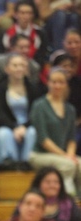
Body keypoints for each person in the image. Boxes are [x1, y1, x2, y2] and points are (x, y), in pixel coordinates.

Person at [29, 66, 81, 196]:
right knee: (68, 165)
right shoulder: (39, 105)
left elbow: (72, 138)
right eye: (54, 82)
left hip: (63, 154)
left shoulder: (70, 109)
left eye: (61, 82)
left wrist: (70, 154)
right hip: (40, 154)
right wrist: (65, 156)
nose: (57, 85)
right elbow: (43, 139)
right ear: (48, 83)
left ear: (66, 85)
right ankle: (68, 196)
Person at [0, 52, 38, 171]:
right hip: (7, 125)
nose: (19, 68)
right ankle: (9, 166)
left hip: (28, 125)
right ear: (7, 69)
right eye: (15, 65)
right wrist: (14, 128)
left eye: (22, 65)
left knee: (32, 132)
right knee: (4, 134)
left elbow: (36, 112)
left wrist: (24, 127)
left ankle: (27, 164)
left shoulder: (34, 88)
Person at [2, 1, 48, 66]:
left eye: (29, 13)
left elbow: (42, 57)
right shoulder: (6, 33)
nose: (26, 16)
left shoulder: (40, 33)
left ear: (33, 15)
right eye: (22, 13)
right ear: (15, 15)